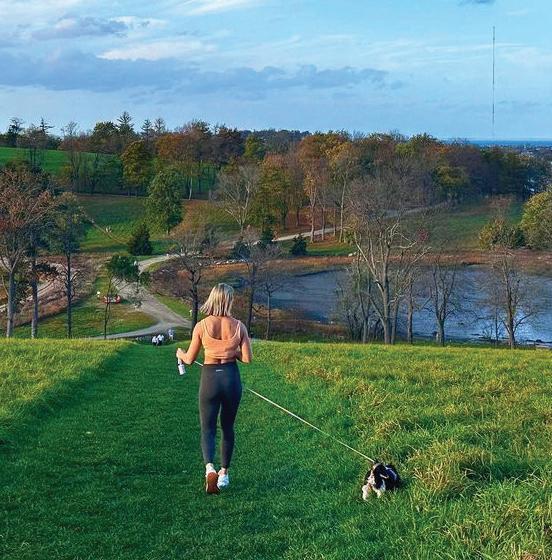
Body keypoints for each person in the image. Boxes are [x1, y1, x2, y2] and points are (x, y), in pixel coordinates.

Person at [176, 283, 252, 494]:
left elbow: (189, 359)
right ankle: (224, 473)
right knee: (227, 427)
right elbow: (247, 358)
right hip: (231, 378)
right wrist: (231, 351)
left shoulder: (201, 326)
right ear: (229, 301)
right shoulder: (239, 326)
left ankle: (209, 468)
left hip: (210, 378)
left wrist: (179, 353)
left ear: (213, 299)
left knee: (207, 428)